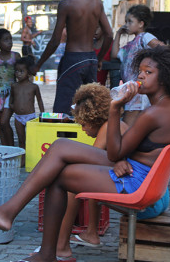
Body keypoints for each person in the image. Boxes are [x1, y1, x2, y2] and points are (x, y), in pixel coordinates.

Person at [0, 46, 170, 262]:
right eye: (140, 71)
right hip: (140, 173)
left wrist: (115, 108)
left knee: (60, 177)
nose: (141, 76)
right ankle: (16, 220)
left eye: (149, 72)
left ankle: (40, 246)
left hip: (138, 182)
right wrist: (119, 154)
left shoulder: (154, 113)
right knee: (61, 146)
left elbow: (115, 151)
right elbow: (123, 151)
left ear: (164, 77)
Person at [55, 83, 129, 259]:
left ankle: (61, 245)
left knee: (72, 184)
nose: (83, 129)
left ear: (95, 118)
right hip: (130, 180)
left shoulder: (108, 127)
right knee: (91, 176)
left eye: (84, 124)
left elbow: (86, 162)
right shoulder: (115, 123)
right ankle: (91, 233)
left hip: (131, 185)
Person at [31, 0, 113, 115]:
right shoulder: (96, 2)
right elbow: (109, 34)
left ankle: (63, 139)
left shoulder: (67, 4)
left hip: (73, 60)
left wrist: (38, 64)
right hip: (90, 60)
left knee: (64, 109)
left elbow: (55, 40)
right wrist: (99, 59)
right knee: (90, 108)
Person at [111, 4, 165, 126]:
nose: (127, 25)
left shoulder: (144, 37)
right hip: (131, 90)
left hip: (139, 90)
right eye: (126, 22)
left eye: (130, 22)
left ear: (141, 24)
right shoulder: (131, 45)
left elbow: (162, 48)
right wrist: (119, 34)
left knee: (127, 126)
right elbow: (115, 54)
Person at [10, 56, 45, 162]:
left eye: (21, 71)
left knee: (30, 140)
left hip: (30, 117)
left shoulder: (33, 87)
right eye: (16, 71)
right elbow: (11, 99)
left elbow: (39, 100)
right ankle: (23, 160)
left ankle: (32, 159)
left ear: (29, 73)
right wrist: (13, 106)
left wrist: (42, 113)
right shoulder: (14, 86)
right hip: (18, 118)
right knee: (21, 139)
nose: (18, 74)